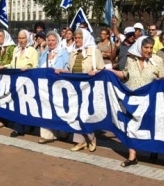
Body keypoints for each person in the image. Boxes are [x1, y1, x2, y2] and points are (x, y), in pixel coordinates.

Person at [109, 36, 164, 167]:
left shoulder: (158, 60)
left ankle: (153, 150)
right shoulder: (131, 59)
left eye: (151, 48)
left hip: (150, 101)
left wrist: (159, 80)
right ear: (140, 47)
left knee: (150, 126)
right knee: (131, 126)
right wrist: (110, 71)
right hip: (133, 99)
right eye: (146, 47)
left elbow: (162, 78)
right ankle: (132, 156)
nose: (149, 50)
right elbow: (125, 74)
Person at [66, 28, 105, 152]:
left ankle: (91, 138)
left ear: (86, 38)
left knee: (87, 115)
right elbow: (69, 69)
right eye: (76, 38)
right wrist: (61, 71)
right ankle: (80, 141)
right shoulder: (73, 52)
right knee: (76, 115)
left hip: (90, 89)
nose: (77, 40)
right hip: (75, 88)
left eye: (79, 38)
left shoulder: (94, 52)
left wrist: (95, 72)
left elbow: (102, 70)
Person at [0, 29, 39, 137]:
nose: (21, 40)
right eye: (19, 38)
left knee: (26, 105)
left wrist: (28, 68)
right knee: (18, 105)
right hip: (16, 81)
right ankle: (19, 128)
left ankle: (25, 126)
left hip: (28, 81)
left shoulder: (33, 51)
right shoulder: (16, 50)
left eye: (23, 38)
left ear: (27, 38)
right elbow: (12, 64)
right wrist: (4, 66)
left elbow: (36, 66)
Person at [37, 31, 69, 144]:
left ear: (57, 41)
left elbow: (69, 68)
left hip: (59, 86)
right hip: (45, 87)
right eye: (49, 40)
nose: (50, 42)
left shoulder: (63, 53)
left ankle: (63, 132)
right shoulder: (44, 54)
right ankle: (47, 135)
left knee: (59, 109)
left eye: (53, 40)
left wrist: (61, 71)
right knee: (46, 110)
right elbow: (38, 68)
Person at [0, 29, 16, 128]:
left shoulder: (12, 48)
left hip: (9, 76)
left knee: (9, 99)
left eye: (0, 36)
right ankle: (1, 119)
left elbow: (13, 62)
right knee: (0, 98)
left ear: (5, 36)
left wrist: (4, 66)